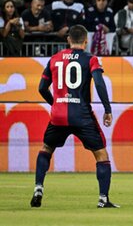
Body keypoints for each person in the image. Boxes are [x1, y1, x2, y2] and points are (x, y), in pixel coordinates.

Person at [30, 24, 119, 208]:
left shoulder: (54, 59)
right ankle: (103, 199)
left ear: (68, 39)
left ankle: (38, 187)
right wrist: (107, 109)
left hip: (59, 116)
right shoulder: (91, 59)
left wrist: (55, 103)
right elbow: (100, 85)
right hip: (82, 115)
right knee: (101, 154)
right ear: (86, 41)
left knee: (47, 148)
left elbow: (41, 88)